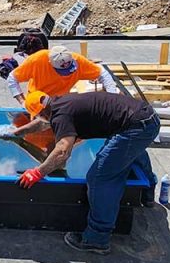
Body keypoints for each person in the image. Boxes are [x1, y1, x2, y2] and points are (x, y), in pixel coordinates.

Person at [11, 90, 159, 254]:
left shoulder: (61, 116)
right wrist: (17, 133)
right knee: (132, 152)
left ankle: (97, 238)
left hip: (135, 128)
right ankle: (147, 194)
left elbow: (62, 152)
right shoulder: (61, 103)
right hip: (146, 117)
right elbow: (44, 122)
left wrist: (38, 172)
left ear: (41, 112)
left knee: (99, 178)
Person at [6, 45, 118, 106]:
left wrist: (113, 96)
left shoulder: (77, 60)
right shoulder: (37, 60)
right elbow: (12, 78)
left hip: (61, 101)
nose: (66, 74)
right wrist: (22, 102)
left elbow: (103, 73)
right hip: (37, 101)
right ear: (50, 64)